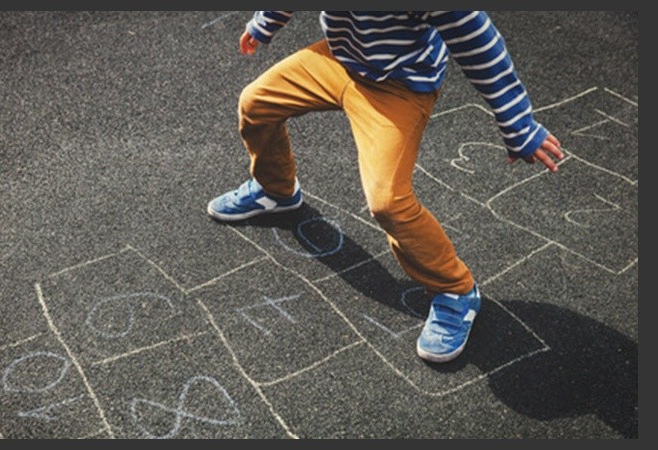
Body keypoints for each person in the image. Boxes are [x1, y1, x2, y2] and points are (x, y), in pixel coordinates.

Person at [206, 11, 564, 363]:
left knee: (388, 201)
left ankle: (455, 291)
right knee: (255, 103)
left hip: (400, 84)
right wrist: (266, 23)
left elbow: (480, 45)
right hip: (340, 60)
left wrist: (518, 125)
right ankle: (276, 189)